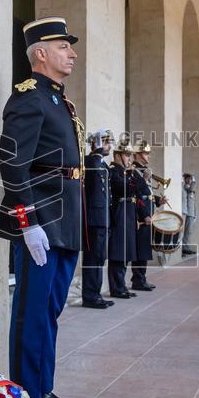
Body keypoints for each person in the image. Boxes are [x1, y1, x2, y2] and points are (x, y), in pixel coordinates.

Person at [0, 16, 86, 398]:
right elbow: (13, 164)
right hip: (42, 221)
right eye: (65, 47)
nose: (73, 54)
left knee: (49, 310)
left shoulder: (59, 101)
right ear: (42, 53)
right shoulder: (28, 99)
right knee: (31, 311)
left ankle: (43, 388)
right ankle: (26, 396)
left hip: (64, 220)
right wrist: (27, 222)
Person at [81, 130, 115, 309]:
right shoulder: (90, 161)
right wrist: (96, 152)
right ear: (97, 143)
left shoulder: (102, 164)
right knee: (93, 258)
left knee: (100, 257)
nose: (109, 146)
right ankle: (90, 296)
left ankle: (96, 294)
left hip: (102, 219)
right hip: (94, 220)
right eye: (106, 142)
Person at [108, 138, 139, 298]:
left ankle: (122, 286)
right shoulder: (113, 171)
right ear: (118, 155)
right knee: (118, 252)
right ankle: (116, 288)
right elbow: (125, 188)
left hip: (128, 214)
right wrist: (135, 177)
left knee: (125, 252)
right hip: (119, 214)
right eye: (127, 155)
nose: (129, 158)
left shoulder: (124, 172)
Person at [131, 142, 163, 290]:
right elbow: (137, 195)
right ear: (138, 155)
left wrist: (158, 200)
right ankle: (138, 280)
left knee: (144, 249)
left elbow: (146, 193)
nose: (148, 156)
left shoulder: (143, 170)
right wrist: (144, 215)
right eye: (145, 153)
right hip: (141, 217)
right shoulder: (134, 171)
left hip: (147, 215)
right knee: (141, 250)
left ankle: (141, 278)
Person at [181, 173, 197, 256]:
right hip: (187, 213)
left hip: (191, 213)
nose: (190, 180)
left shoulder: (190, 189)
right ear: (185, 179)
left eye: (191, 179)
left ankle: (186, 248)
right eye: (188, 178)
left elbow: (193, 203)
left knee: (189, 232)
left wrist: (195, 213)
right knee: (185, 231)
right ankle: (183, 248)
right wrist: (194, 180)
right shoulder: (186, 188)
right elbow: (191, 188)